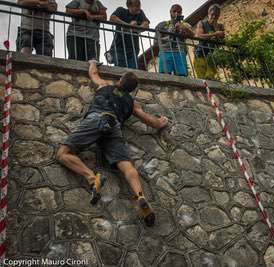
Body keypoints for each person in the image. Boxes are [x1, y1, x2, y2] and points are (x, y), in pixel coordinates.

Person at [57, 60, 168, 227]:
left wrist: (93, 63)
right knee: (127, 166)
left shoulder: (105, 86)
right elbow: (151, 122)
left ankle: (91, 178)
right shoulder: (132, 104)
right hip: (114, 126)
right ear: (131, 89)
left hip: (97, 118)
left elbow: (93, 74)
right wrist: (161, 122)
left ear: (120, 81)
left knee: (63, 154)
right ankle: (140, 196)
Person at [108, 0, 149, 69]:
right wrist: (128, 26)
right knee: (120, 70)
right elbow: (112, 18)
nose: (139, 7)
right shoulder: (121, 10)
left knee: (133, 71)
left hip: (133, 49)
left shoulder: (140, 13)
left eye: (139, 5)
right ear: (129, 6)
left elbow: (146, 24)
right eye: (136, 5)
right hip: (119, 47)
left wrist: (133, 28)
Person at [155, 4, 194, 76]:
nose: (176, 13)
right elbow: (156, 42)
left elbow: (193, 35)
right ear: (170, 12)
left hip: (180, 52)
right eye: (174, 11)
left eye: (179, 12)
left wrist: (183, 28)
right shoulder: (162, 25)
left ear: (181, 13)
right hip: (165, 52)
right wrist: (170, 35)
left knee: (183, 77)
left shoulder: (185, 25)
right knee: (164, 76)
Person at [194, 4, 225, 80]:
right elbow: (199, 36)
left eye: (216, 15)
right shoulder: (202, 23)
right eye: (212, 14)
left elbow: (222, 41)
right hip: (200, 55)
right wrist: (215, 34)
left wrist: (220, 38)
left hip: (213, 57)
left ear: (219, 16)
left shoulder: (220, 26)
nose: (214, 17)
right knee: (202, 80)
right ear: (208, 13)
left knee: (210, 78)